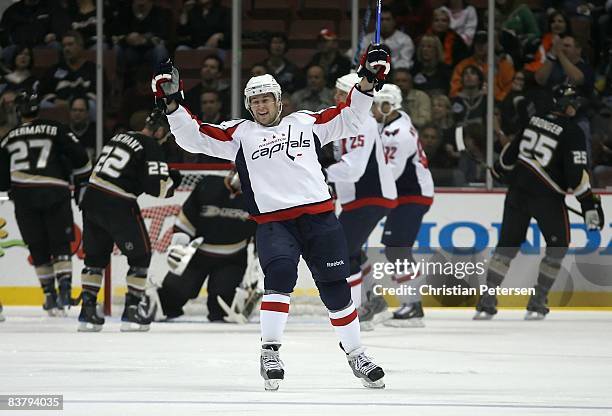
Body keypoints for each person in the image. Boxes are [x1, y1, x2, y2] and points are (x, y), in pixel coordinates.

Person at [152, 44, 391, 390]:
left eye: (267, 99)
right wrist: (173, 105)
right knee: (278, 277)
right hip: (274, 223)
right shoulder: (240, 135)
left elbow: (350, 117)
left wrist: (368, 79)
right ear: (249, 107)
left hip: (320, 219)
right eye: (255, 101)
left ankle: (356, 352)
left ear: (280, 101)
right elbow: (193, 137)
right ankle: (270, 352)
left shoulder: (306, 122)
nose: (262, 106)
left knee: (336, 290)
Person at [474, 84, 604, 320]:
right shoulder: (573, 132)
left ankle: (487, 299)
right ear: (567, 105)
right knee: (558, 245)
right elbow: (577, 177)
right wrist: (589, 205)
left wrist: (499, 172)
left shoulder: (534, 120)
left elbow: (507, 159)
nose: (575, 105)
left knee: (506, 246)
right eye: (573, 101)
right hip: (547, 198)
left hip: (517, 193)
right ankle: (537, 300)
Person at [77, 109, 180, 332]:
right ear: (160, 130)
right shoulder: (151, 145)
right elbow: (158, 188)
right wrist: (174, 180)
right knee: (141, 255)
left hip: (92, 199)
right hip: (118, 202)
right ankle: (132, 311)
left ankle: (87, 312)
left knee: (94, 257)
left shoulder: (118, 137)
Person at [0, 89, 91, 316]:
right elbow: (81, 157)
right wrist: (81, 184)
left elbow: (2, 181)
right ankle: (64, 293)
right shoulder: (56, 128)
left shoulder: (8, 138)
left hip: (24, 197)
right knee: (60, 245)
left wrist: (11, 187)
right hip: (54, 192)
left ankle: (49, 295)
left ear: (19, 111)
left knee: (37, 246)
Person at [324, 73, 397, 325]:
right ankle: (372, 300)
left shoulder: (363, 121)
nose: (336, 98)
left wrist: (322, 173)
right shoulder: (342, 120)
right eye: (336, 92)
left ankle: (355, 309)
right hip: (359, 198)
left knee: (342, 250)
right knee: (351, 251)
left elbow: (353, 168)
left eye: (342, 94)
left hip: (371, 196)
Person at [147, 170, 257, 322]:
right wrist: (180, 243)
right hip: (197, 253)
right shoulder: (208, 185)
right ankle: (150, 305)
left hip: (233, 258)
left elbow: (263, 229)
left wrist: (261, 260)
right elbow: (187, 217)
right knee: (175, 292)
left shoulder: (258, 197)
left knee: (222, 304)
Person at [371, 84, 434, 327]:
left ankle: (413, 306)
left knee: (397, 249)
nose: (372, 110)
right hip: (403, 195)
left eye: (376, 105)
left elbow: (391, 173)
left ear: (388, 106)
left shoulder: (401, 134)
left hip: (413, 195)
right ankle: (412, 304)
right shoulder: (389, 124)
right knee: (396, 249)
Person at [450, 31, 515, 101]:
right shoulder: (463, 65)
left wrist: (497, 99)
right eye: (477, 43)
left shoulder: (503, 64)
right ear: (473, 45)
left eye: (484, 43)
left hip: (496, 103)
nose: (480, 46)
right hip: (469, 103)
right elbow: (454, 92)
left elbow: (509, 90)